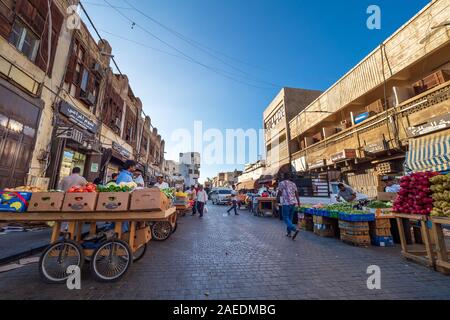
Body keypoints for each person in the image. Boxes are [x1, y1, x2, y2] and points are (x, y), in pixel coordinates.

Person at [277, 172, 300, 240]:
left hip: (286, 203)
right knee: (290, 219)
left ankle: (294, 229)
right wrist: (298, 202)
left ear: (284, 176)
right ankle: (289, 233)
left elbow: (279, 193)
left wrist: (276, 200)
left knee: (285, 218)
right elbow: (296, 194)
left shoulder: (282, 183)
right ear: (289, 177)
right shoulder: (293, 184)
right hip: (293, 203)